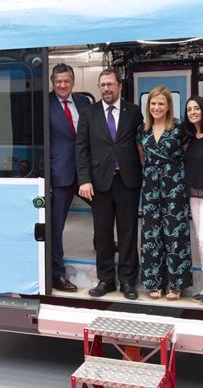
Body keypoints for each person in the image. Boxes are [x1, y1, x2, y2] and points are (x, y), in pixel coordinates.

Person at [76, 68, 143, 300]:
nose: (106, 89)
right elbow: (81, 148)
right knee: (103, 234)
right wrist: (84, 179)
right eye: (102, 85)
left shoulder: (134, 112)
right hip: (99, 183)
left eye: (110, 84)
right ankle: (105, 280)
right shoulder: (88, 113)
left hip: (128, 181)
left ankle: (128, 281)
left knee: (128, 232)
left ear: (119, 86)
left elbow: (141, 144)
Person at [136, 86, 192, 301]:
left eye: (161, 103)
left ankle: (176, 285)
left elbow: (185, 155)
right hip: (150, 186)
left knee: (175, 233)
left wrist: (170, 172)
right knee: (152, 233)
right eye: (153, 103)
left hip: (174, 185)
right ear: (148, 106)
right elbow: (143, 158)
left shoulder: (179, 128)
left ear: (168, 106)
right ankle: (154, 282)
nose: (156, 107)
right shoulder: (142, 130)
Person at [49, 63, 91, 292]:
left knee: (106, 210)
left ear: (73, 82)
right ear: (53, 83)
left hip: (86, 172)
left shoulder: (84, 102)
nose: (62, 85)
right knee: (56, 228)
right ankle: (56, 274)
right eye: (58, 82)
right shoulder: (45, 104)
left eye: (66, 81)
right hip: (60, 175)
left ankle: (102, 246)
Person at [183, 95, 203, 303]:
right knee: (201, 240)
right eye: (189, 109)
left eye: (196, 108)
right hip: (194, 195)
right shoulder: (191, 137)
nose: (193, 112)